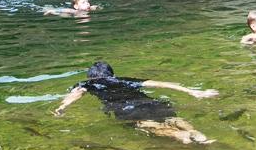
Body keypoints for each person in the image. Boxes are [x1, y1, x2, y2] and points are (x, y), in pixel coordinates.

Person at [52, 61, 218, 144]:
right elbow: (161, 84)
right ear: (112, 74)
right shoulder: (125, 80)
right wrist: (194, 92)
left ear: (90, 77)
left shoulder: (87, 83)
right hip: (151, 103)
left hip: (127, 110)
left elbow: (77, 94)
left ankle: (180, 135)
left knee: (146, 125)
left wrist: (61, 107)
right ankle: (194, 132)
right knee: (171, 119)